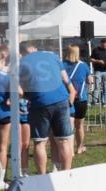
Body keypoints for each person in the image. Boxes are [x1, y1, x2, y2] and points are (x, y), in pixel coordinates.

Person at [20, 42, 76, 174]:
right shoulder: (53, 57)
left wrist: (29, 97)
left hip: (40, 102)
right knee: (64, 141)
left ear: (23, 52)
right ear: (34, 48)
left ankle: (42, 176)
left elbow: (19, 90)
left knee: (40, 143)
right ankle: (66, 173)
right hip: (61, 99)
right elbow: (66, 80)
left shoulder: (22, 63)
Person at [62, 45, 91, 155]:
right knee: (79, 125)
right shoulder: (83, 66)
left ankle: (70, 150)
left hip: (66, 98)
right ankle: (79, 147)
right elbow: (89, 80)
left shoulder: (62, 65)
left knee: (69, 125)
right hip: (81, 98)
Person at [89, 38, 106, 106]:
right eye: (105, 45)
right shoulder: (95, 50)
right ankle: (94, 102)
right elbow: (91, 59)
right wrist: (98, 61)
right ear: (102, 43)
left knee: (105, 87)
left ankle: (104, 103)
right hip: (98, 71)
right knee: (96, 87)